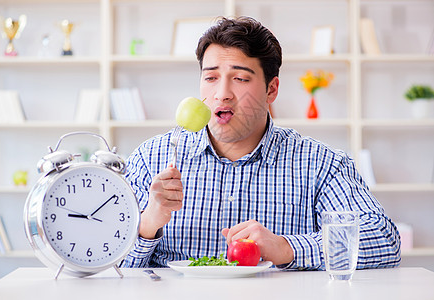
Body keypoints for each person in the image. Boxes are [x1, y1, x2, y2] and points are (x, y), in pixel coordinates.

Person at [120, 16, 401, 270]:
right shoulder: (151, 158)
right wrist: (147, 223)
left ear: (271, 89)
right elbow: (108, 263)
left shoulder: (321, 164)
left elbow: (384, 239)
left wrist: (286, 248)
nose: (222, 93)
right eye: (211, 77)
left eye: (240, 78)